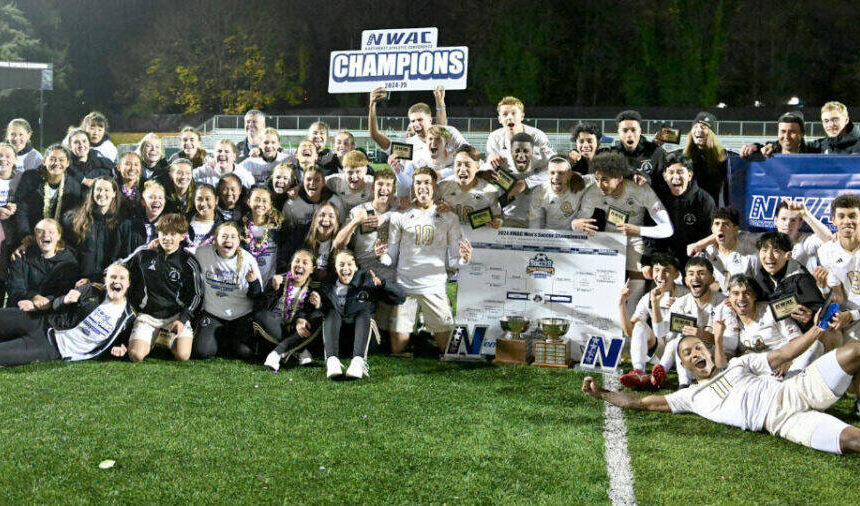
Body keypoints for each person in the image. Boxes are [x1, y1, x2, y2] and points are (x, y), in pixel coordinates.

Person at [582, 310, 860, 455]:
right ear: (686, 365)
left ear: (707, 349)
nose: (695, 353)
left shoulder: (740, 363)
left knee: (853, 352)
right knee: (852, 440)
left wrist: (817, 329)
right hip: (783, 423)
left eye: (697, 347)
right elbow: (640, 403)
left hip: (796, 388)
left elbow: (785, 353)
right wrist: (602, 394)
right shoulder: (690, 396)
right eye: (687, 353)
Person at [377, 166, 472, 354]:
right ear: (413, 186)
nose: (422, 187)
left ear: (434, 185)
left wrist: (464, 259)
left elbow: (453, 261)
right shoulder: (400, 216)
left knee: (448, 349)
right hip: (406, 288)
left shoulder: (449, 217)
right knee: (398, 349)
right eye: (418, 183)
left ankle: (424, 334)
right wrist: (381, 255)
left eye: (427, 182)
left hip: (434, 287)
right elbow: (391, 259)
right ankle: (418, 335)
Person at [0, 263, 135, 366]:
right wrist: (65, 299)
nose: (116, 281)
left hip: (52, 347)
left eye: (122, 278)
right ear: (105, 281)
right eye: (113, 277)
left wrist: (121, 349)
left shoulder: (127, 317)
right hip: (42, 322)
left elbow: (121, 343)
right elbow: (57, 303)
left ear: (128, 283)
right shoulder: (91, 290)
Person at [572, 152, 673, 281]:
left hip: (635, 237)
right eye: (597, 179)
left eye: (605, 180)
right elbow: (581, 223)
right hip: (609, 237)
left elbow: (667, 229)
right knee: (604, 278)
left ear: (620, 178)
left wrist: (638, 230)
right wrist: (575, 225)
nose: (600, 185)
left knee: (638, 278)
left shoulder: (641, 190)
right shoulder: (593, 193)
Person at [123, 213, 202, 362]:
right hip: (148, 316)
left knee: (182, 355)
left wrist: (183, 319)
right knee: (136, 356)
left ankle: (162, 338)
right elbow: (121, 268)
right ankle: (156, 336)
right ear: (158, 234)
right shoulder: (144, 255)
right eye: (164, 233)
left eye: (173, 234)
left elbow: (197, 295)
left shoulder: (188, 262)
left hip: (175, 317)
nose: (167, 238)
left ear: (182, 236)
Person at [317, 249, 405, 379]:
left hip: (364, 340)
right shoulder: (327, 286)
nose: (345, 268)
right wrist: (318, 305)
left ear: (356, 267)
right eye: (341, 265)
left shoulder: (367, 281)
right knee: (331, 312)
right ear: (335, 268)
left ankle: (358, 362)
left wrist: (383, 285)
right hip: (338, 341)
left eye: (349, 264)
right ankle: (332, 361)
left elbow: (400, 298)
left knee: (363, 312)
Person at [334, 168, 399, 337]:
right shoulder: (360, 210)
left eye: (388, 185)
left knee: (388, 338)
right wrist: (356, 221)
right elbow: (339, 243)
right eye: (380, 184)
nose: (383, 189)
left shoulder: (400, 211)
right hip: (364, 276)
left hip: (390, 277)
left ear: (393, 190)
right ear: (373, 187)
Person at [716, 274, 822, 377]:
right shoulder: (730, 320)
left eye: (747, 293)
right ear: (728, 297)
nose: (741, 298)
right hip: (761, 371)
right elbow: (727, 360)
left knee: (814, 346)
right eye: (735, 293)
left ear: (755, 295)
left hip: (788, 360)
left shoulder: (772, 310)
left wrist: (789, 359)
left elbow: (796, 338)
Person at [651, 257, 730, 390]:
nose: (695, 277)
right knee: (678, 341)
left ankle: (681, 381)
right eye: (691, 274)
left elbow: (731, 346)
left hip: (716, 357)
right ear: (686, 280)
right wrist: (655, 304)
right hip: (687, 358)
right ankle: (667, 374)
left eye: (701, 273)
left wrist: (702, 334)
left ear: (712, 279)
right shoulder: (680, 303)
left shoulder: (724, 303)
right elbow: (660, 332)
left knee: (683, 341)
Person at [192, 221, 264, 359]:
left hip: (240, 315)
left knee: (244, 353)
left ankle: (226, 339)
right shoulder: (202, 253)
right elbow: (182, 254)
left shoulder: (248, 260)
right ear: (216, 239)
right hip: (213, 313)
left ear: (238, 240)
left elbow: (258, 296)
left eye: (233, 236)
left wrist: (253, 282)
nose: (228, 240)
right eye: (224, 236)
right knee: (202, 352)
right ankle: (219, 337)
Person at [618, 253, 689, 389]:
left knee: (676, 341)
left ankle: (668, 373)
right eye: (656, 270)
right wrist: (621, 303)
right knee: (639, 325)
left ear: (676, 275)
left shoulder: (687, 295)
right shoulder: (648, 297)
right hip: (660, 349)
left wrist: (678, 307)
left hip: (683, 350)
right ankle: (639, 371)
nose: (660, 276)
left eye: (666, 271)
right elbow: (630, 332)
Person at [643, 152, 715, 269]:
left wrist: (700, 249)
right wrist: (647, 260)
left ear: (690, 175)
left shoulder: (704, 201)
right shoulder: (657, 198)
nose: (676, 177)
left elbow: (710, 234)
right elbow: (649, 231)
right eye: (671, 172)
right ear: (665, 176)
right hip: (663, 259)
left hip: (693, 259)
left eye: (680, 172)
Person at [367, 87, 466, 168]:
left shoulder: (446, 137)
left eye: (420, 120)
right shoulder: (410, 146)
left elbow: (441, 127)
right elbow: (375, 135)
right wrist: (372, 105)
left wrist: (440, 102)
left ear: (430, 120)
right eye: (413, 121)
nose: (416, 124)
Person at [258, 249, 321, 371]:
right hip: (277, 326)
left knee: (319, 316)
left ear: (312, 269)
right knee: (261, 316)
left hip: (297, 330)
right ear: (291, 264)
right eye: (296, 261)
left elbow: (314, 313)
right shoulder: (279, 280)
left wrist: (318, 305)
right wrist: (272, 289)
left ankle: (276, 353)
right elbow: (261, 306)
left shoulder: (316, 287)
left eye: (305, 262)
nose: (300, 265)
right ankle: (299, 349)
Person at [753, 232, 827, 334]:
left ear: (788, 255)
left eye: (775, 251)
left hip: (802, 335)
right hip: (773, 331)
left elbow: (822, 315)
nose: (769, 256)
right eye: (764, 251)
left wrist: (810, 319)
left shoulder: (802, 280)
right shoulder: (760, 276)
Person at [14, 144, 83, 242]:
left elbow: (71, 219)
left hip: (59, 237)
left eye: (61, 160)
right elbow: (21, 209)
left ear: (68, 163)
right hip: (32, 234)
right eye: (52, 159)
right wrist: (26, 235)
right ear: (44, 162)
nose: (56, 163)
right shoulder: (30, 178)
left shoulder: (74, 186)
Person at [6, 218, 79, 309]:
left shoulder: (69, 262)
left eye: (51, 232)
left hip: (53, 311)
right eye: (40, 232)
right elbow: (15, 288)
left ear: (59, 236)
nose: (45, 235)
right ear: (35, 236)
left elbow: (65, 291)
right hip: (23, 308)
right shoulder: (21, 257)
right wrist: (33, 297)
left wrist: (47, 301)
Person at [63, 176, 121, 284]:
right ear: (92, 192)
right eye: (98, 189)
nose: (102, 194)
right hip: (80, 281)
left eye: (106, 190)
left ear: (114, 194)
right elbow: (69, 252)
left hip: (108, 282)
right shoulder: (76, 219)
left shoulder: (120, 223)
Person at [692, 207, 759, 293]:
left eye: (725, 224)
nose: (720, 228)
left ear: (735, 229)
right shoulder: (708, 252)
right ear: (712, 228)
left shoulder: (749, 251)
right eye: (717, 224)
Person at [438, 146, 504, 233]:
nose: (462, 169)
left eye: (467, 165)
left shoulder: (490, 191)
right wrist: (437, 207)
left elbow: (498, 217)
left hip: (478, 240)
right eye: (458, 164)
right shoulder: (443, 186)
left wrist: (498, 222)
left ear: (477, 166)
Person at [485, 96, 555, 170]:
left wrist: (529, 181)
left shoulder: (537, 136)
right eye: (505, 114)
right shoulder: (494, 137)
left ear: (522, 116)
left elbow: (552, 164)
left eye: (513, 113)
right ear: (499, 119)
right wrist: (490, 158)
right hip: (507, 179)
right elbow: (490, 166)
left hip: (534, 178)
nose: (509, 117)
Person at [241, 186, 290, 286]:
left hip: (271, 285)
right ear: (249, 202)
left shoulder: (278, 227)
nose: (260, 204)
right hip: (247, 284)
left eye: (264, 201)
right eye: (257, 200)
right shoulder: (240, 227)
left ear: (270, 204)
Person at [282, 165, 345, 241]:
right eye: (308, 179)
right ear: (303, 182)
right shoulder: (292, 203)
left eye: (317, 180)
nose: (312, 183)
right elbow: (286, 230)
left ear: (323, 182)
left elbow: (341, 227)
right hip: (301, 243)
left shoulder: (335, 201)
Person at [609, 110, 667, 190]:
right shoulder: (611, 155)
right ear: (618, 132)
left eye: (633, 130)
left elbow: (664, 184)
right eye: (625, 130)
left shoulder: (656, 152)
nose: (629, 135)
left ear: (640, 131)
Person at [528, 156, 586, 231]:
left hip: (573, 235)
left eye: (561, 173)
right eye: (552, 173)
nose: (556, 177)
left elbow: (596, 179)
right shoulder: (540, 192)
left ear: (569, 174)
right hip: (550, 236)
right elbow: (534, 224)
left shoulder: (580, 183)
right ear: (547, 174)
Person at [772, 200, 832, 272]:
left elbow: (830, 241)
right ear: (776, 221)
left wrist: (805, 215)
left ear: (800, 223)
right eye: (783, 219)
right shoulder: (768, 243)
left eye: (793, 220)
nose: (788, 224)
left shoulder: (808, 241)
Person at [683, 112, 727, 205]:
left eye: (703, 127)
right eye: (695, 127)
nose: (698, 130)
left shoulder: (724, 158)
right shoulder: (682, 156)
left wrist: (755, 146)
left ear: (712, 133)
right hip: (689, 211)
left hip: (713, 211)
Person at [115, 180, 166, 258]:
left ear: (164, 202)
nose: (156, 200)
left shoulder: (170, 226)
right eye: (151, 197)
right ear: (143, 202)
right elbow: (116, 256)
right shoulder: (127, 226)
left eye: (160, 198)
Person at [740, 111, 819, 157]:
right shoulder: (768, 153)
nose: (786, 136)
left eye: (792, 132)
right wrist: (754, 148)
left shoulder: (813, 154)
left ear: (802, 134)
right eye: (783, 131)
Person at [0, 142, 20, 301]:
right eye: (0, 156)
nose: (3, 159)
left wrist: (17, 208)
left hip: (14, 237)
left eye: (7, 156)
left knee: (13, 279)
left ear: (15, 159)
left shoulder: (21, 179)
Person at [302, 202, 340, 282]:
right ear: (314, 219)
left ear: (337, 222)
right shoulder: (300, 236)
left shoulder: (341, 242)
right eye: (322, 215)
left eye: (331, 216)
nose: (326, 219)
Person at [186, 184, 220, 251]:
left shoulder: (223, 226)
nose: (203, 204)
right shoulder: (184, 221)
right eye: (199, 199)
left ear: (216, 200)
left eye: (207, 199)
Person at [115, 151, 145, 217]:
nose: (132, 168)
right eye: (128, 164)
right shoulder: (112, 187)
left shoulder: (146, 187)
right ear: (118, 167)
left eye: (136, 165)